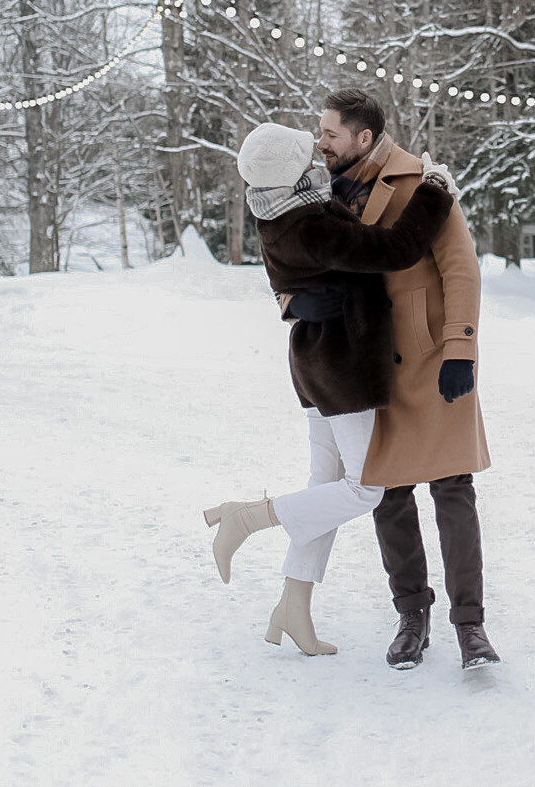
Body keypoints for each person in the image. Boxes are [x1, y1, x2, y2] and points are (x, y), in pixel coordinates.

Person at [203, 122, 454, 657]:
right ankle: (247, 517)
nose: (316, 147)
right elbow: (396, 249)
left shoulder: (277, 207)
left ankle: (293, 605)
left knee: (325, 485)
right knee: (366, 488)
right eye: (305, 147)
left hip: (315, 364)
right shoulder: (308, 221)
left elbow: (288, 280)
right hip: (342, 368)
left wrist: (289, 301)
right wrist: (433, 188)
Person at [318, 88, 500, 671]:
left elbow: (461, 268)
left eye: (330, 134)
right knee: (390, 495)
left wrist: (459, 350)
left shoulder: (425, 183)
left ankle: (470, 626)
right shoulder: (323, 195)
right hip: (370, 363)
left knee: (453, 490)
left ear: (363, 138)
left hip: (430, 359)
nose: (319, 142)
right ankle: (411, 615)